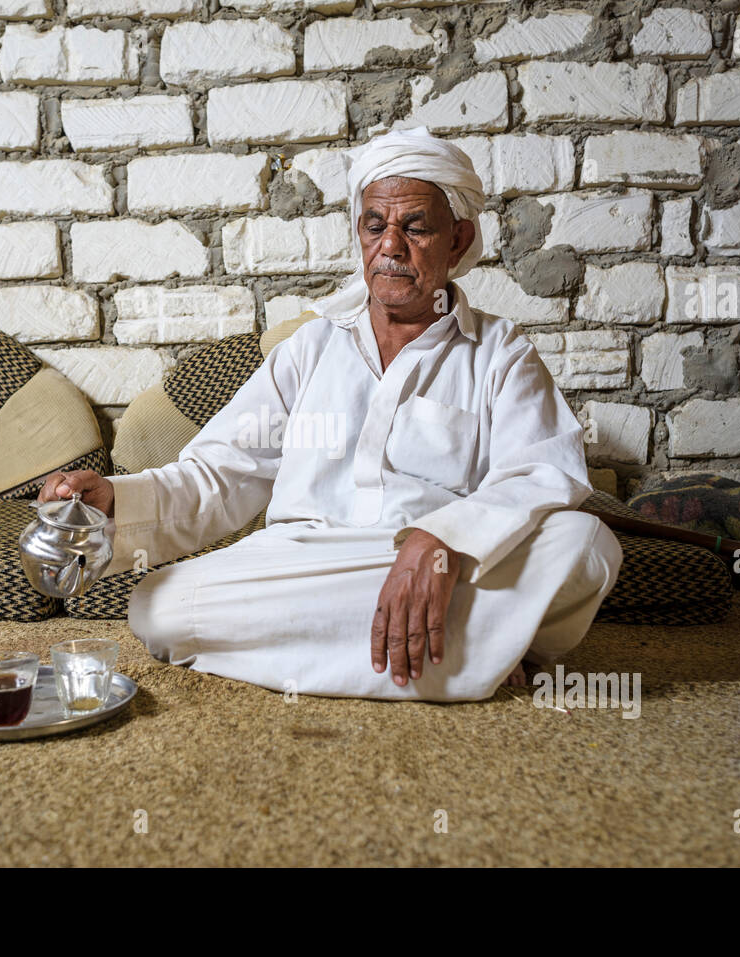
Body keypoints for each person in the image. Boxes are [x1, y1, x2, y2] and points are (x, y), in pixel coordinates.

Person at [38, 126, 623, 701]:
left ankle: (434, 642)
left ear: (458, 238)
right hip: (304, 562)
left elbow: (542, 473)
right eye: (375, 226)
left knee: (585, 545)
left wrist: (441, 539)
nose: (391, 246)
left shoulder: (500, 353)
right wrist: (115, 499)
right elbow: (217, 477)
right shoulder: (311, 348)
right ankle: (470, 652)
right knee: (158, 607)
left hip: (437, 566)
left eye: (415, 227)